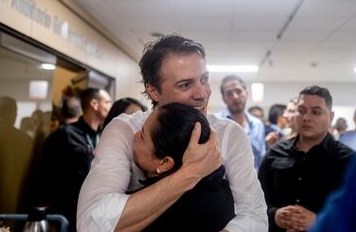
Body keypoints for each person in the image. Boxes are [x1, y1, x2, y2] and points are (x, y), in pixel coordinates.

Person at [77, 34, 267, 231]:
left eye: (204, 79)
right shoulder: (125, 130)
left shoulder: (229, 134)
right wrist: (191, 173)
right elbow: (90, 225)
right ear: (153, 91)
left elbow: (254, 215)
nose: (202, 93)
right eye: (185, 85)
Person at [258, 85, 356, 232]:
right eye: (301, 111)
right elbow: (254, 203)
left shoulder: (348, 160)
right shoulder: (274, 154)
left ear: (331, 116)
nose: (306, 118)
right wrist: (275, 215)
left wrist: (318, 220)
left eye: (316, 112)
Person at [133, 103, 235, 231]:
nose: (135, 135)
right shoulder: (225, 192)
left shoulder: (140, 215)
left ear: (165, 163)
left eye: (142, 136)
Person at [38, 88, 112, 231]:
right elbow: (47, 177)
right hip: (66, 214)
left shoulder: (103, 136)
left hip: (95, 213)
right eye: (107, 102)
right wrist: (51, 218)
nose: (110, 105)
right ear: (95, 104)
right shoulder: (65, 135)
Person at [216, 74, 266, 170]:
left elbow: (260, 157)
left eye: (238, 91)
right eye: (229, 93)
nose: (235, 97)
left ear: (246, 93)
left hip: (254, 182)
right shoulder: (216, 123)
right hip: (224, 183)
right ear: (224, 98)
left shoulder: (257, 124)